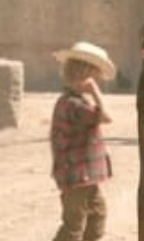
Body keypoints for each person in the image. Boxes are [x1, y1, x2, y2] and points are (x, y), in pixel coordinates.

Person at [50, 41, 116, 241]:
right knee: (73, 227)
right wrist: (95, 91)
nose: (98, 79)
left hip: (84, 177)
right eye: (94, 75)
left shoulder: (74, 101)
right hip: (77, 177)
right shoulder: (73, 105)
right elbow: (107, 116)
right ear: (84, 74)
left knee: (97, 217)